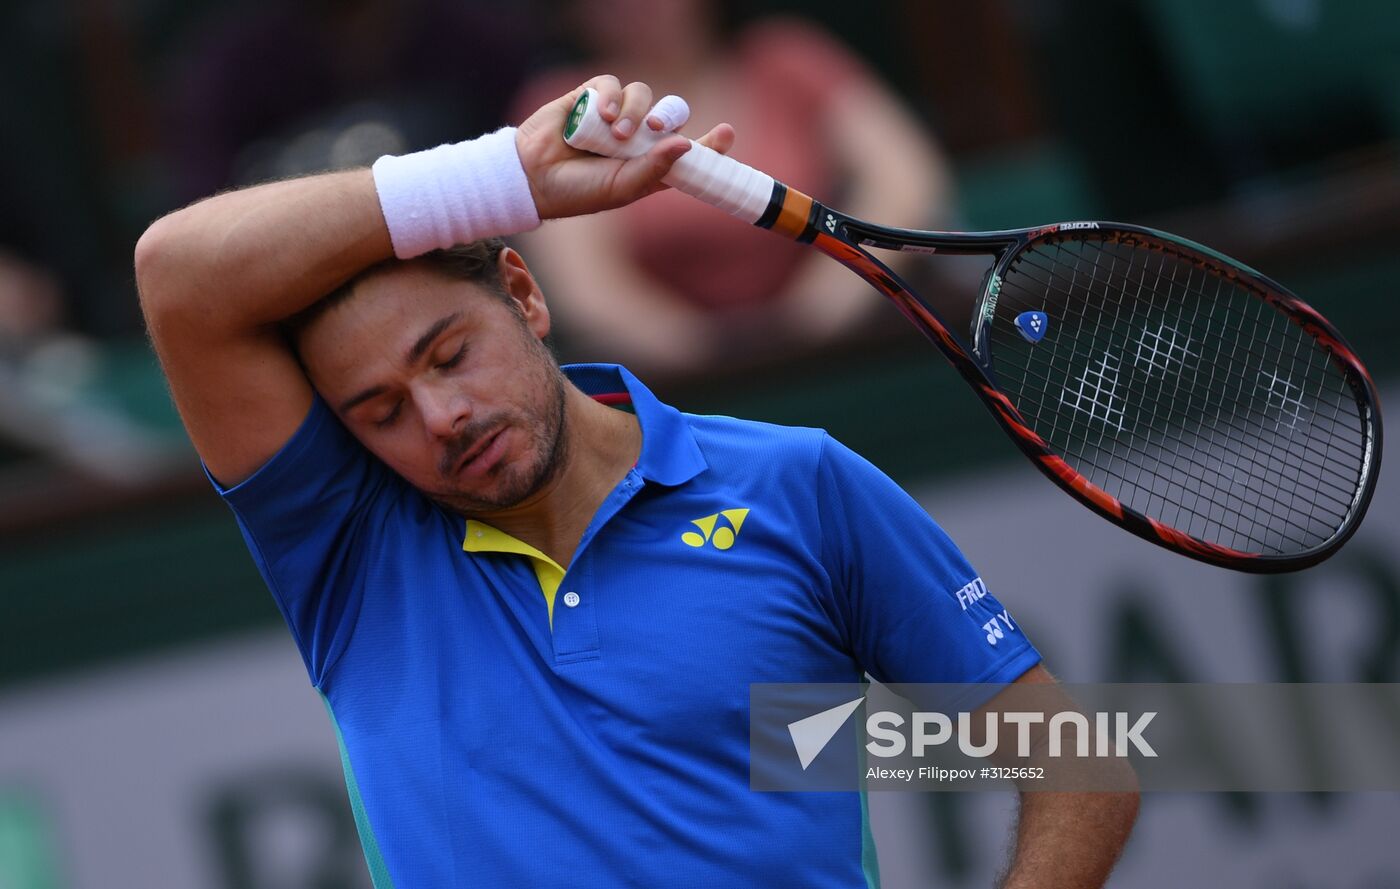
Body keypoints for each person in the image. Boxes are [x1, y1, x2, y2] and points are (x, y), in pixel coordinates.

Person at [135, 76, 1136, 887]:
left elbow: (1076, 766)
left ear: (523, 295)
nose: (440, 417)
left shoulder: (799, 486)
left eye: (448, 355)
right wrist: (509, 173)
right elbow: (177, 273)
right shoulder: (350, 546)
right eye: (380, 412)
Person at [510, 2, 953, 378]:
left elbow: (907, 180)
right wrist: (713, 354)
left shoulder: (786, 58)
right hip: (688, 393)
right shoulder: (565, 109)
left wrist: (824, 306)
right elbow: (589, 290)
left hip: (853, 358)